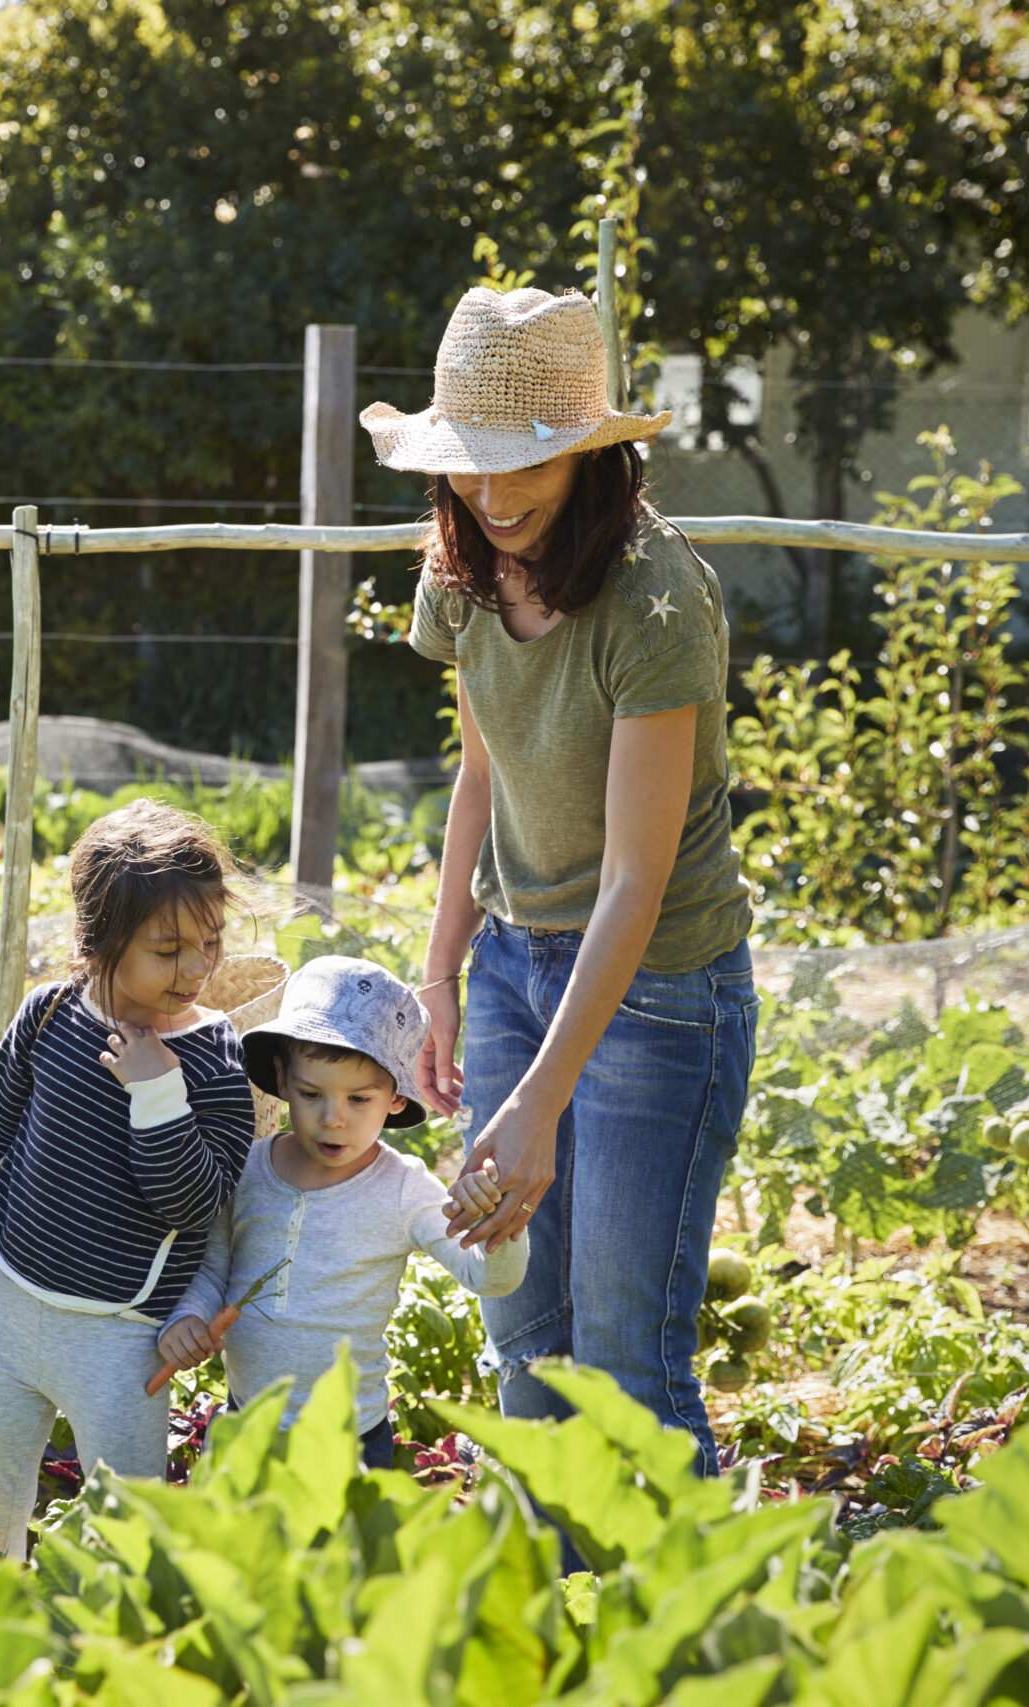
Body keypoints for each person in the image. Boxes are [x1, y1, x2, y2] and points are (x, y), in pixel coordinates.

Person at [359, 285, 760, 1483]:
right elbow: (479, 778)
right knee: (523, 1336)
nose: (494, 498)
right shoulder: (464, 570)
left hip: (657, 987)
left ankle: (688, 1642)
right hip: (513, 970)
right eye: (469, 472)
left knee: (628, 1363)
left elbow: (635, 881)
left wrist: (537, 1100)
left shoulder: (653, 596)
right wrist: (440, 979)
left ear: (587, 456)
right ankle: (550, 1618)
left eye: (521, 467)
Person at [0, 800, 256, 1559]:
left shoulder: (217, 1062)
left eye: (210, 944)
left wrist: (158, 1093)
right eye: (168, 949)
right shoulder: (51, 1010)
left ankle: (115, 1665)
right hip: (12, 1314)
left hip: (122, 1342)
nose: (195, 968)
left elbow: (194, 1205)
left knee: (127, 1534)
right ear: (101, 944)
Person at [154, 956, 523, 1468]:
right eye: (311, 1094)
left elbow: (489, 1279)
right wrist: (190, 1316)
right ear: (281, 1078)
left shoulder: (402, 1189)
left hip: (347, 1442)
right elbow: (215, 1266)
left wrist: (498, 1223)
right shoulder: (250, 1166)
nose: (333, 1119)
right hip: (244, 1425)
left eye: (358, 1099)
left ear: (394, 1098)